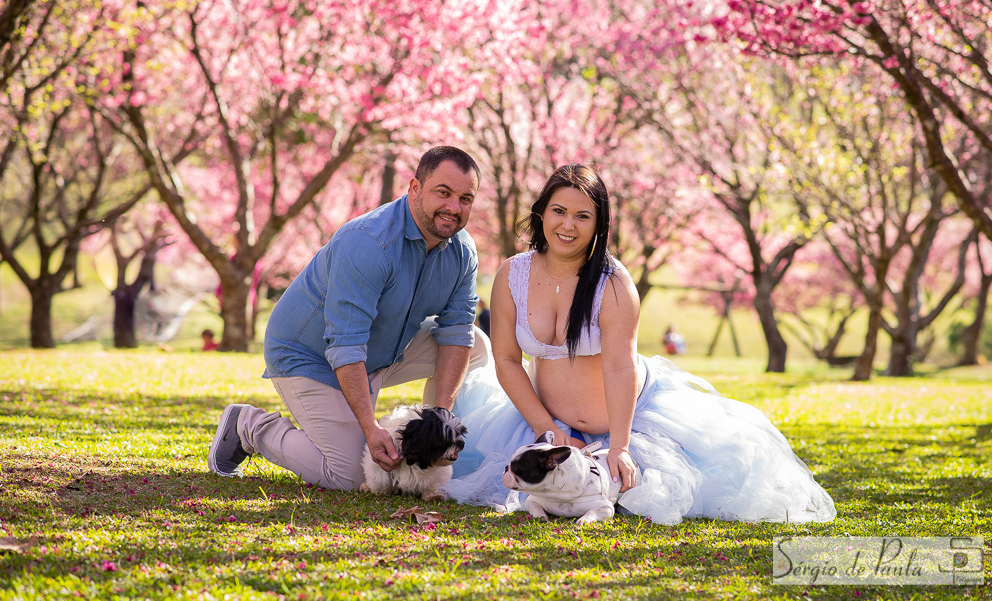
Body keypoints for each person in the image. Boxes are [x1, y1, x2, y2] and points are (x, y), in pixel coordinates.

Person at [446, 164, 835, 525]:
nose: (568, 225)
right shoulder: (512, 274)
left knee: (677, 491)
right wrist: (546, 431)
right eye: (558, 211)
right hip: (546, 423)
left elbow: (620, 367)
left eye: (583, 216)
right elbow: (507, 360)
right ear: (541, 213)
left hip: (627, 423)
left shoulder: (614, 283)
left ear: (599, 224)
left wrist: (620, 446)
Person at [207, 146, 490, 490]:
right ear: (415, 188)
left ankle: (434, 444)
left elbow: (457, 332)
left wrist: (440, 419)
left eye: (465, 199)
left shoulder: (463, 251)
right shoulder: (368, 242)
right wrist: (370, 427)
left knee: (477, 345)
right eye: (443, 193)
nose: (454, 208)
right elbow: (345, 342)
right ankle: (248, 426)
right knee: (352, 474)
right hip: (310, 355)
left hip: (380, 353)